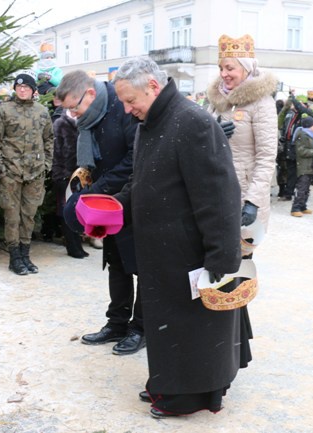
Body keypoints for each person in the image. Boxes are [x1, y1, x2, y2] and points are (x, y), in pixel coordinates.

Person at [109, 56, 243, 418]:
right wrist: (114, 207)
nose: (126, 109)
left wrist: (222, 258)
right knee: (168, 327)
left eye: (130, 100)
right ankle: (168, 382)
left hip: (191, 252)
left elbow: (219, 197)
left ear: (152, 87)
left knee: (195, 328)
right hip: (161, 251)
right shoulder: (150, 122)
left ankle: (190, 396)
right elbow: (142, 180)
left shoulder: (192, 122)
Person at [57, 70, 144, 356]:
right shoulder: (90, 117)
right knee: (115, 261)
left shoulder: (123, 107)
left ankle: (140, 328)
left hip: (133, 197)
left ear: (91, 94)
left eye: (74, 106)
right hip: (105, 202)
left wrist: (101, 188)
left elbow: (136, 156)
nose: (72, 114)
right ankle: (116, 322)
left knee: (141, 266)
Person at [207, 34, 278, 235]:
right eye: (221, 68)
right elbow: (199, 140)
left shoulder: (262, 103)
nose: (224, 74)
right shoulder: (216, 100)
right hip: (214, 190)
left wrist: (252, 202)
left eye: (230, 68)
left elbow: (266, 158)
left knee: (240, 255)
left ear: (246, 69)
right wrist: (213, 134)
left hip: (243, 194)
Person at [0, 73, 54, 276]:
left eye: (26, 87)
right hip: (11, 174)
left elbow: (49, 139)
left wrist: (46, 164)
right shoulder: (4, 111)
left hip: (35, 174)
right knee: (12, 215)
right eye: (19, 87)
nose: (22, 90)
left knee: (29, 215)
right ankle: (14, 257)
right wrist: (0, 170)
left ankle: (25, 254)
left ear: (33, 90)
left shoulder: (42, 112)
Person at [51, 109, 88, 259]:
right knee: (67, 209)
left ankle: (78, 244)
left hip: (81, 174)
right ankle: (72, 247)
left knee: (79, 210)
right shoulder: (60, 124)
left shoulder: (84, 122)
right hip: (65, 175)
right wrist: (59, 174)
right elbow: (55, 152)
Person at [290, 116, 313, 217]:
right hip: (303, 165)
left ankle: (303, 206)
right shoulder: (303, 135)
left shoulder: (311, 135)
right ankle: (295, 208)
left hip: (310, 164)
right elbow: (301, 151)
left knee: (306, 188)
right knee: (302, 187)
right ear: (310, 126)